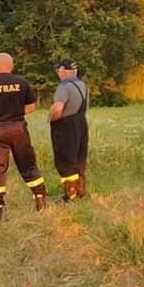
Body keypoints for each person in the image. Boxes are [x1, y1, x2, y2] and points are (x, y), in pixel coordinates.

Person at [0, 53, 48, 219]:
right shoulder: (22, 82)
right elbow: (31, 107)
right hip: (19, 129)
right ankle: (41, 200)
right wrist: (14, 114)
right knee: (28, 165)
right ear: (12, 65)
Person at [49, 59, 88, 201]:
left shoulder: (63, 87)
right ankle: (80, 191)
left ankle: (70, 194)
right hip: (81, 123)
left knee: (65, 160)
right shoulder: (82, 84)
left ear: (64, 70)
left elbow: (58, 109)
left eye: (58, 70)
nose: (57, 73)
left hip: (66, 126)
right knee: (79, 158)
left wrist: (52, 119)